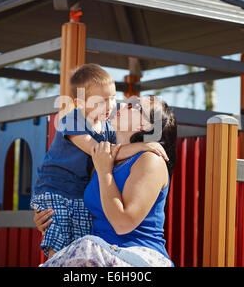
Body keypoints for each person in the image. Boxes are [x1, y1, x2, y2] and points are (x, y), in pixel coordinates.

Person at [30, 64, 169, 259]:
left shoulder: (116, 141)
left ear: (144, 125)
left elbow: (108, 153)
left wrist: (144, 147)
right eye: (102, 101)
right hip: (56, 191)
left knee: (79, 239)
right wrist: (142, 145)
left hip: (124, 247)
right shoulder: (73, 120)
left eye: (113, 98)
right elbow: (98, 151)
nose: (114, 105)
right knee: (60, 240)